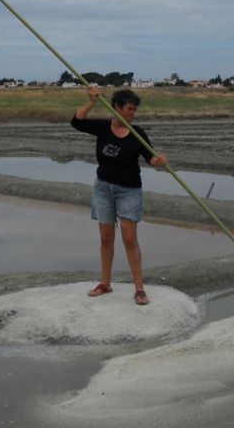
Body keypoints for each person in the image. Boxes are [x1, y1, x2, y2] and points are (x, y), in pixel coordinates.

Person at [70, 84, 168, 305]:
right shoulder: (103, 128)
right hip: (103, 188)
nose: (132, 113)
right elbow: (77, 122)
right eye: (129, 109)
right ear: (117, 108)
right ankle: (105, 283)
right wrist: (91, 101)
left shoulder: (137, 133)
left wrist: (158, 161)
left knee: (130, 239)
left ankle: (139, 289)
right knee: (106, 238)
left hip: (129, 191)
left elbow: (149, 158)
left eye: (134, 110)